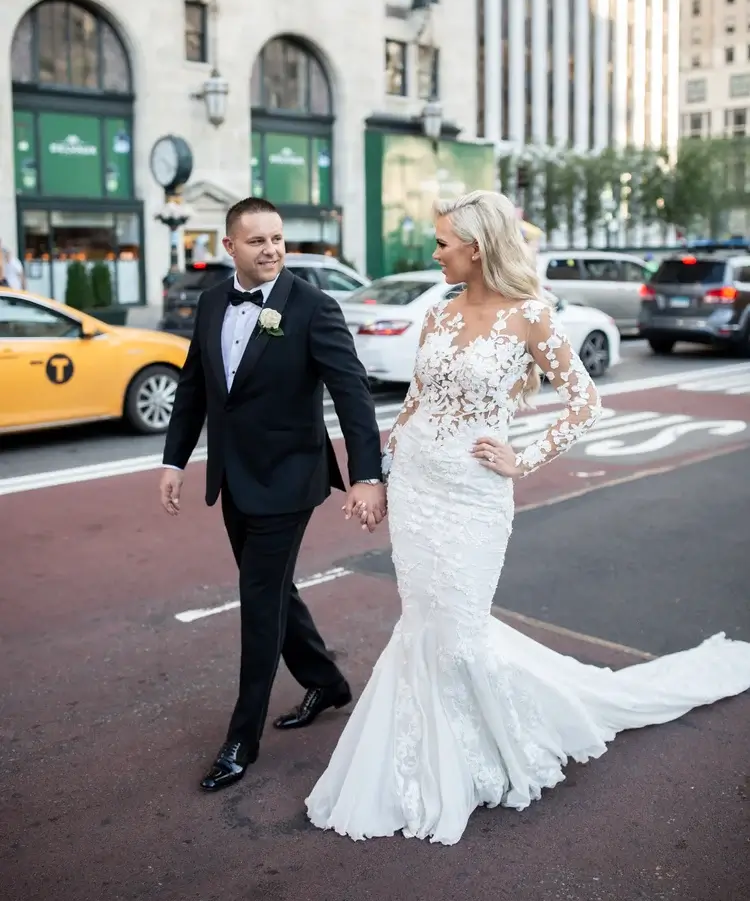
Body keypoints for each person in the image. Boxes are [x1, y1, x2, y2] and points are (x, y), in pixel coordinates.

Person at [306, 189, 750, 846]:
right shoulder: (439, 311)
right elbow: (415, 401)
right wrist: (379, 476)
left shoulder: (531, 315)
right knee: (424, 623)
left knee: (459, 632)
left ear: (477, 247)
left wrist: (525, 457)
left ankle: (489, 748)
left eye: (442, 242)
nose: (435, 252)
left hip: (474, 495)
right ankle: (423, 760)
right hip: (419, 487)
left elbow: (585, 401)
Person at [160, 197, 386, 792]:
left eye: (278, 239)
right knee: (274, 587)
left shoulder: (313, 306)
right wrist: (174, 460)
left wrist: (368, 474)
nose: (271, 250)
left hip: (289, 479)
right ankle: (326, 682)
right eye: (257, 240)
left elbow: (352, 392)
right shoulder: (213, 302)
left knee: (259, 600)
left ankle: (242, 738)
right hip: (232, 476)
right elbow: (194, 387)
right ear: (229, 246)